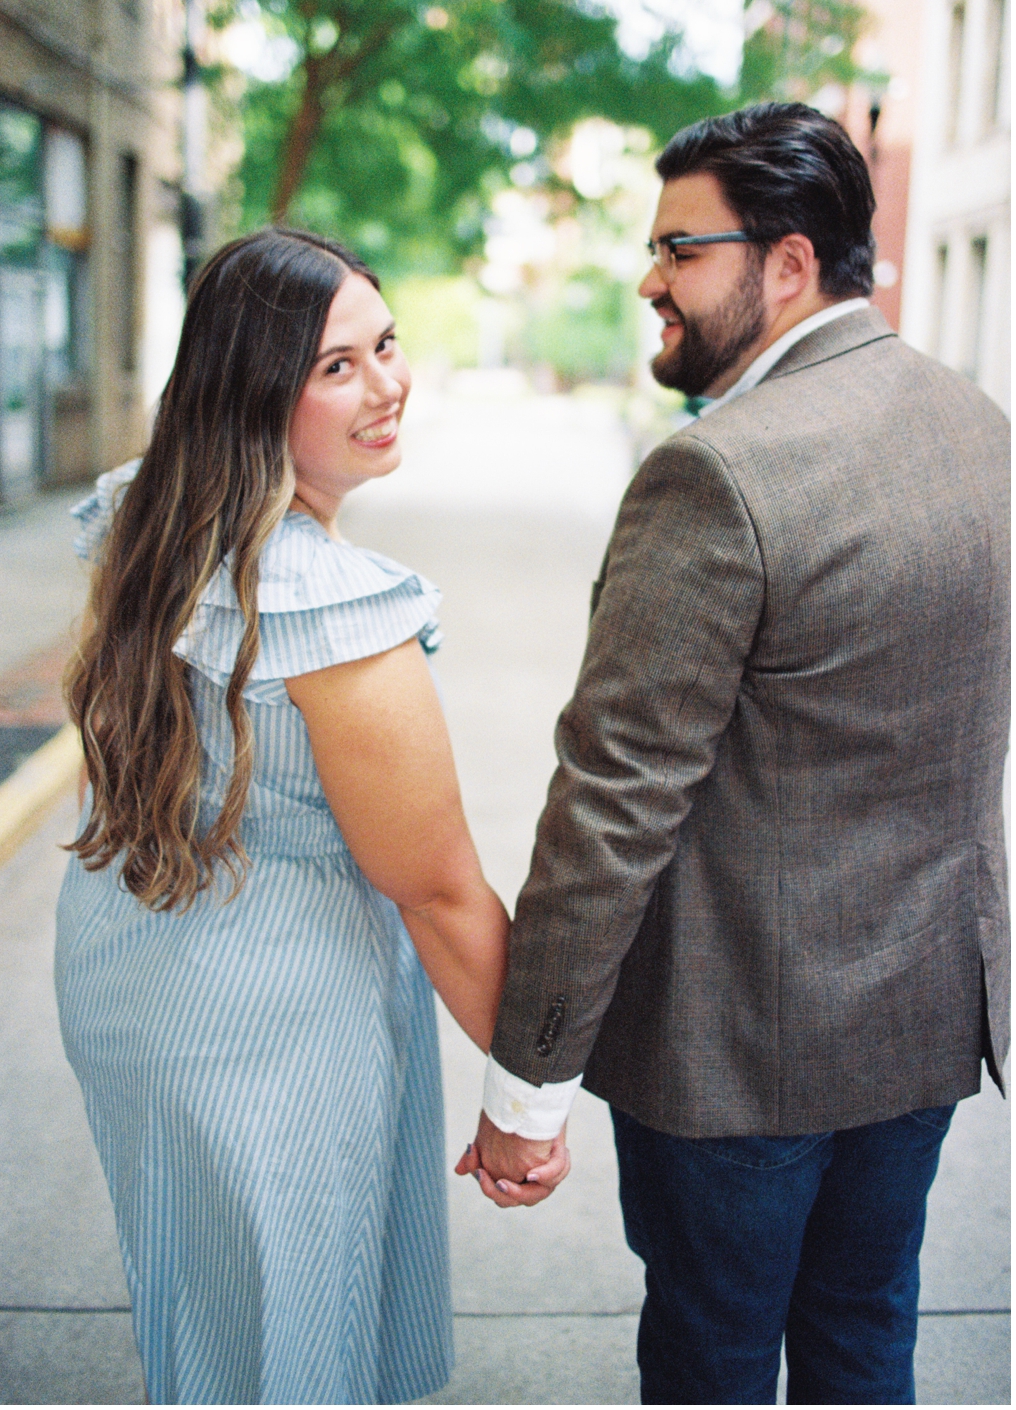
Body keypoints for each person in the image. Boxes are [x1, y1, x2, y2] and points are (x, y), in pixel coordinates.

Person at [457, 104, 1010, 1405]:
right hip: (921, 1022)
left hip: (734, 1056)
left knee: (710, 1359)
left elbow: (612, 805)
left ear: (791, 262)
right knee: (866, 1333)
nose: (649, 279)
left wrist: (526, 1082)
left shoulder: (718, 474)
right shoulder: (978, 428)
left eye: (678, 249)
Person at [55, 228, 565, 1405]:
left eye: (385, 346)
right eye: (335, 366)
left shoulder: (147, 518)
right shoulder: (332, 614)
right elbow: (438, 892)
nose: (386, 385)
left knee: (212, 1316)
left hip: (134, 982)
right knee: (284, 1343)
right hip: (268, 1033)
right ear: (251, 389)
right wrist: (525, 1103)